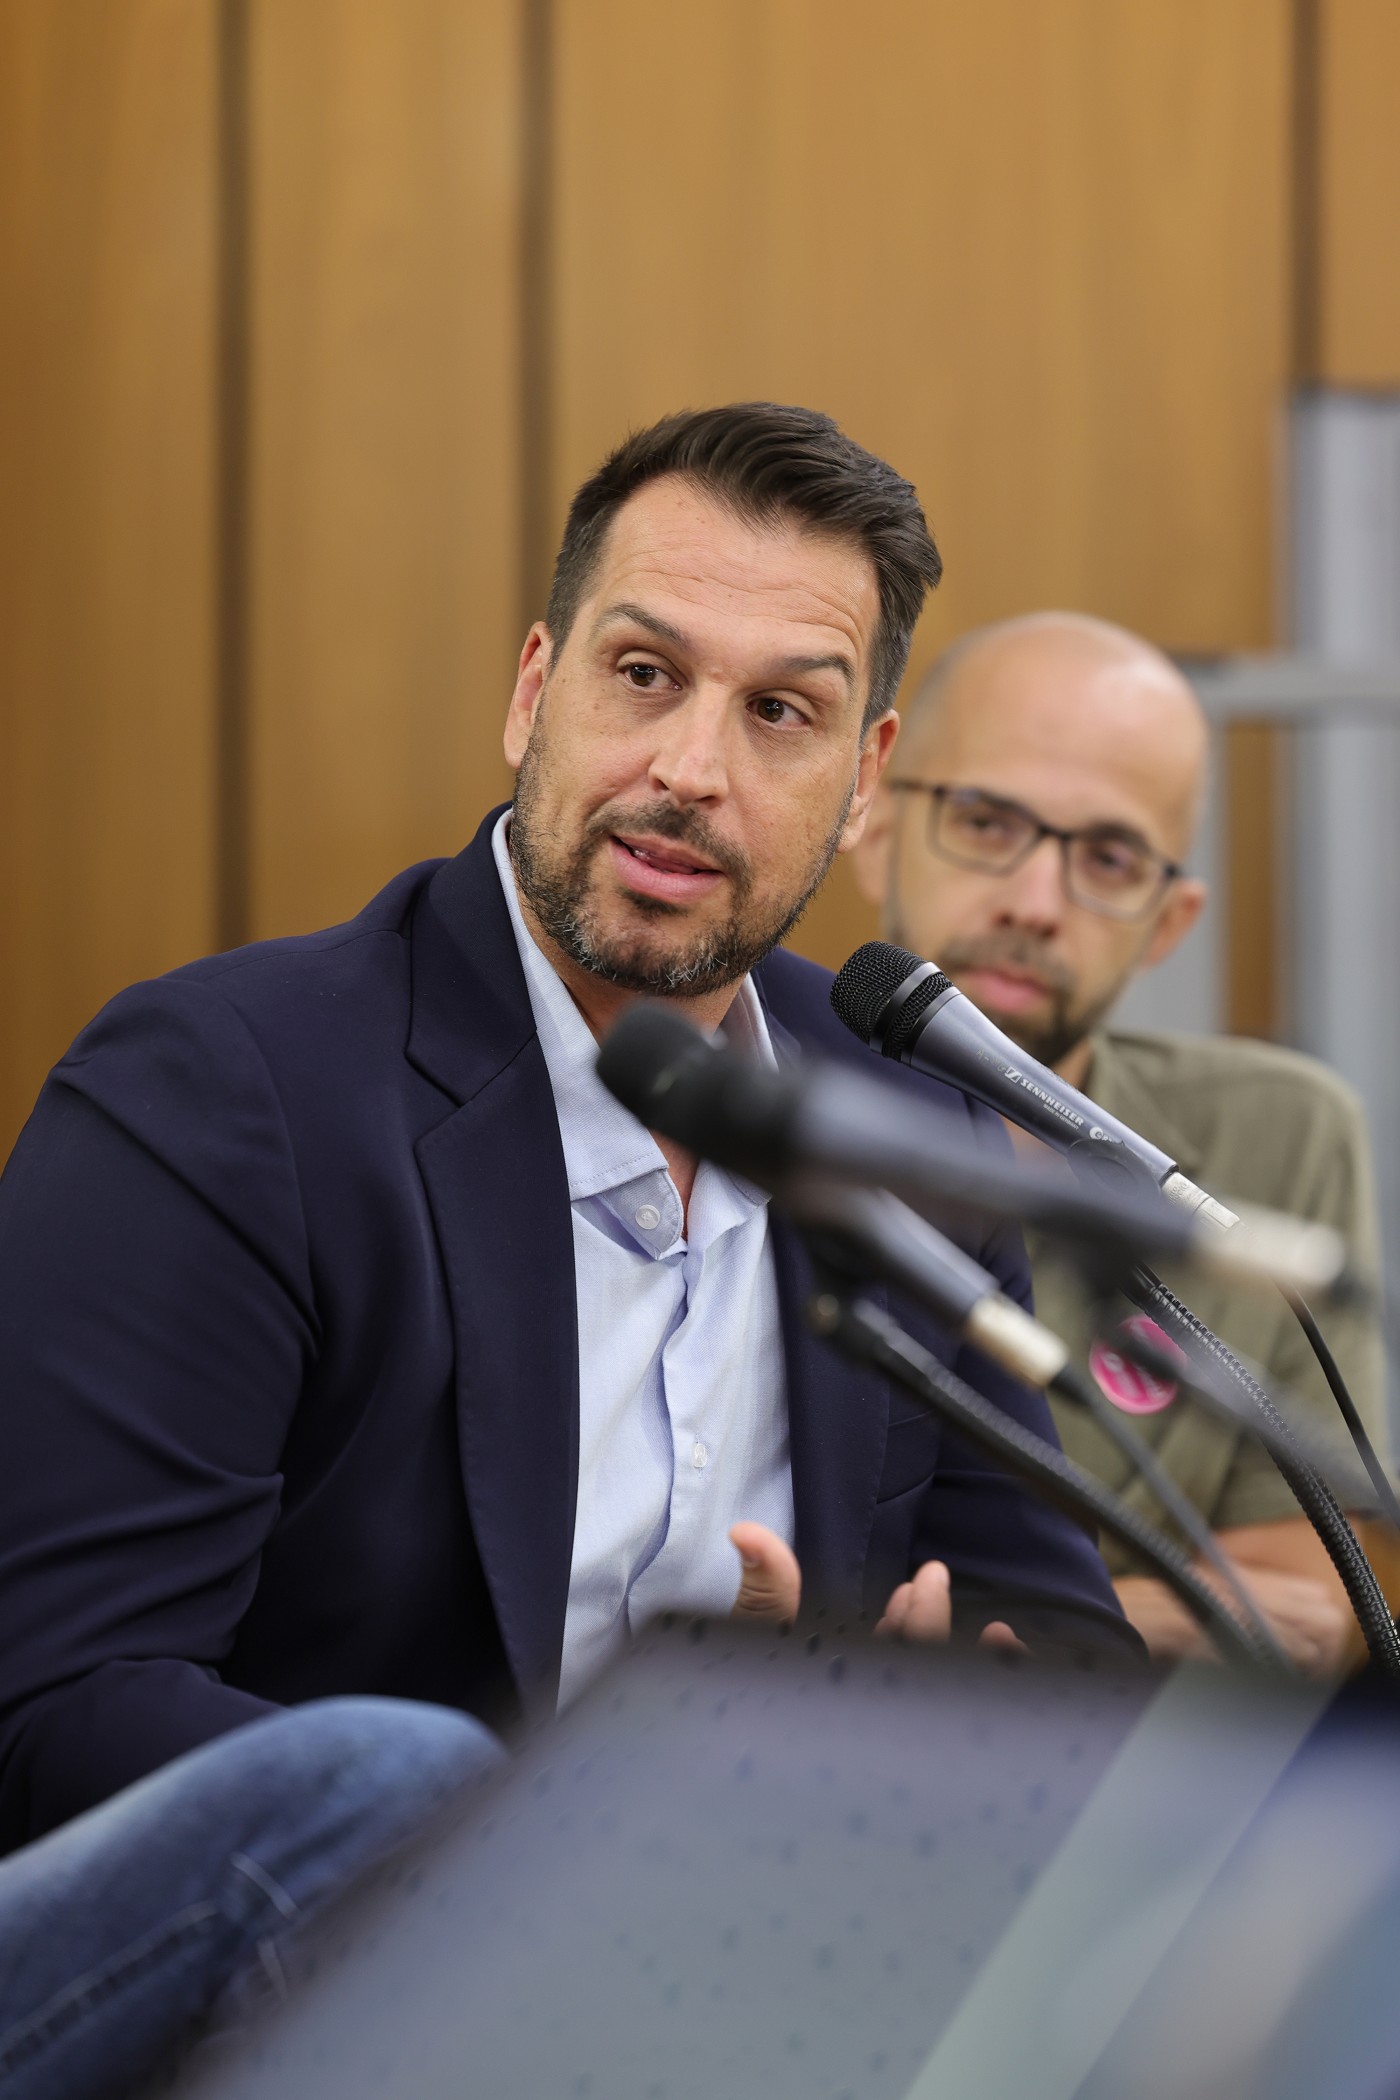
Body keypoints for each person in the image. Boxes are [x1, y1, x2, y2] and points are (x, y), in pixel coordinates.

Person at [0, 410, 1138, 2079]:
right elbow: (61, 1705)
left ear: (865, 781)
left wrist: (891, 1743)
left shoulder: (907, 1132)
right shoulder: (226, 1092)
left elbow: (1066, 1666)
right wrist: (601, 1845)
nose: (690, 770)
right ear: (535, 690)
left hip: (746, 1996)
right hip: (259, 2003)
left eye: (780, 713)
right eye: (643, 675)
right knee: (390, 1782)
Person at [852, 609, 1390, 1674]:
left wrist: (1013, 1633)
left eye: (1107, 857)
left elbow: (1313, 1606)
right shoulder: (738, 1120)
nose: (1036, 903)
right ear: (873, 835)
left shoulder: (1277, 1136)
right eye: (986, 823)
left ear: (1169, 921)